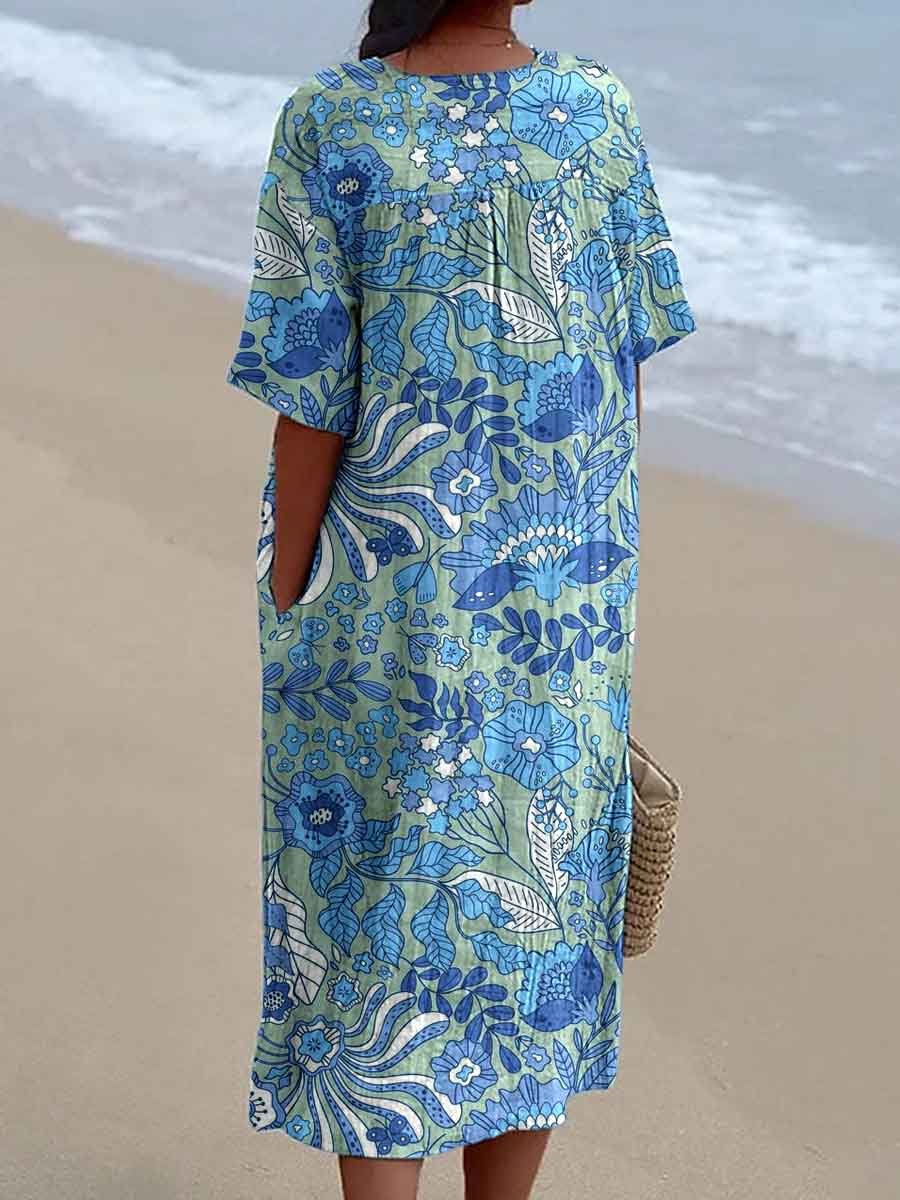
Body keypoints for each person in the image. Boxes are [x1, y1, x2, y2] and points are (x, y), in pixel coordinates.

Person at [225, 1, 696, 1196]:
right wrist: (599, 564)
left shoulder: (335, 116)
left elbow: (310, 391)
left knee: (376, 917)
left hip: (386, 599)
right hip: (562, 603)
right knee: (533, 923)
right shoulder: (592, 111)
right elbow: (620, 367)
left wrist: (288, 591)